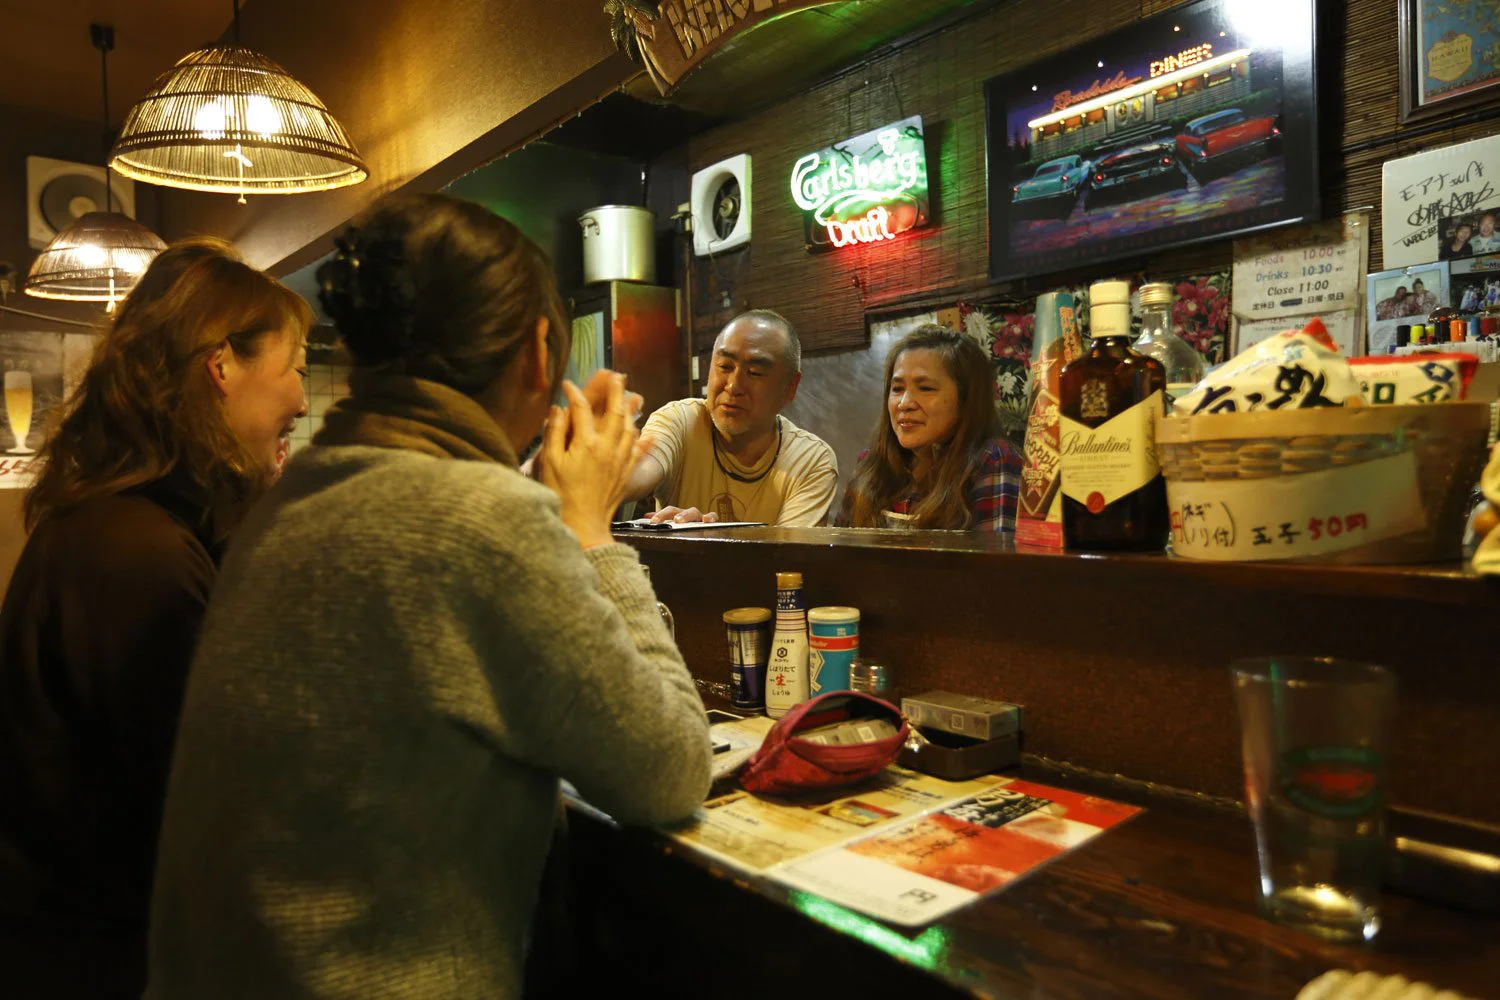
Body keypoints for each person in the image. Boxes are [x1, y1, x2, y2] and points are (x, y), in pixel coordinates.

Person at [145, 192, 711, 1000]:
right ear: (538, 352)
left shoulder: (295, 493)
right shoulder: (480, 518)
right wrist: (590, 530)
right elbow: (670, 767)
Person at [0, 240, 311, 1000]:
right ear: (222, 368)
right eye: (297, 365)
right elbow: (212, 820)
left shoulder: (122, 526)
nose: (303, 400)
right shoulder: (136, 559)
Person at [625, 310, 838, 525]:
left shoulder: (810, 461)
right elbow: (640, 470)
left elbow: (787, 556)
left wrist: (707, 539)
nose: (733, 386)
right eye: (724, 367)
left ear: (790, 387)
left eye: (754, 372)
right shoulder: (681, 421)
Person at [837, 324, 1021, 533]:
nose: (904, 403)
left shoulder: (993, 460)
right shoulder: (872, 463)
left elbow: (994, 564)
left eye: (925, 388)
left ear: (965, 399)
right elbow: (839, 554)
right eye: (897, 389)